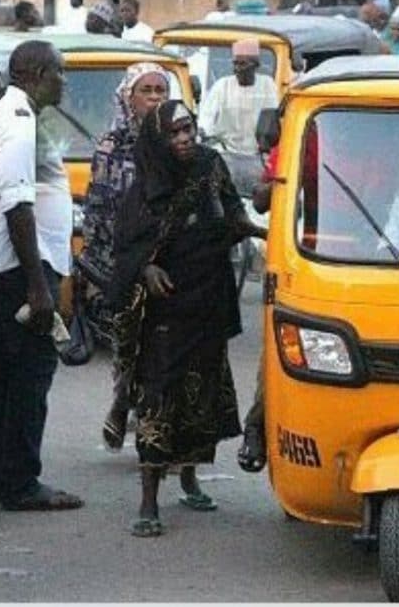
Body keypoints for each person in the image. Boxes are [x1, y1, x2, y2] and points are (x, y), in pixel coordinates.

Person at [107, 100, 264, 538]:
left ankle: (191, 479)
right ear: (159, 139)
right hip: (165, 310)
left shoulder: (211, 166)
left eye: (188, 130)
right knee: (160, 393)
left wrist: (257, 228)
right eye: (174, 133)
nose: (183, 139)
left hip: (208, 299)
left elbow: (233, 213)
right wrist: (146, 268)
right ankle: (148, 500)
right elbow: (126, 245)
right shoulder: (145, 186)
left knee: (203, 394)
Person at [0, 41, 84, 512]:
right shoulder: (19, 123)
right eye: (60, 72)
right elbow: (17, 204)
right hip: (22, 272)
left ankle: (5, 476)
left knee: (2, 377)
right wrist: (39, 286)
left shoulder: (16, 116)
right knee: (29, 374)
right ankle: (20, 481)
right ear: (38, 72)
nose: (65, 81)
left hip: (9, 270)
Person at [85, 63, 171, 451]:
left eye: (161, 91)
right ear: (128, 98)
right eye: (147, 90)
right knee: (129, 342)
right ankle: (122, 403)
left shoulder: (178, 137)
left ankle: (156, 428)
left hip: (170, 260)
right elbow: (99, 209)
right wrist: (100, 268)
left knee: (167, 346)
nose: (155, 98)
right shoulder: (111, 146)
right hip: (125, 260)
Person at [199, 38, 279, 155]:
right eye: (235, 63)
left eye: (242, 64)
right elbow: (206, 120)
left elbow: (271, 118)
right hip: (226, 153)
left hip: (258, 156)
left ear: (255, 65)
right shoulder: (222, 86)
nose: (237, 69)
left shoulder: (267, 84)